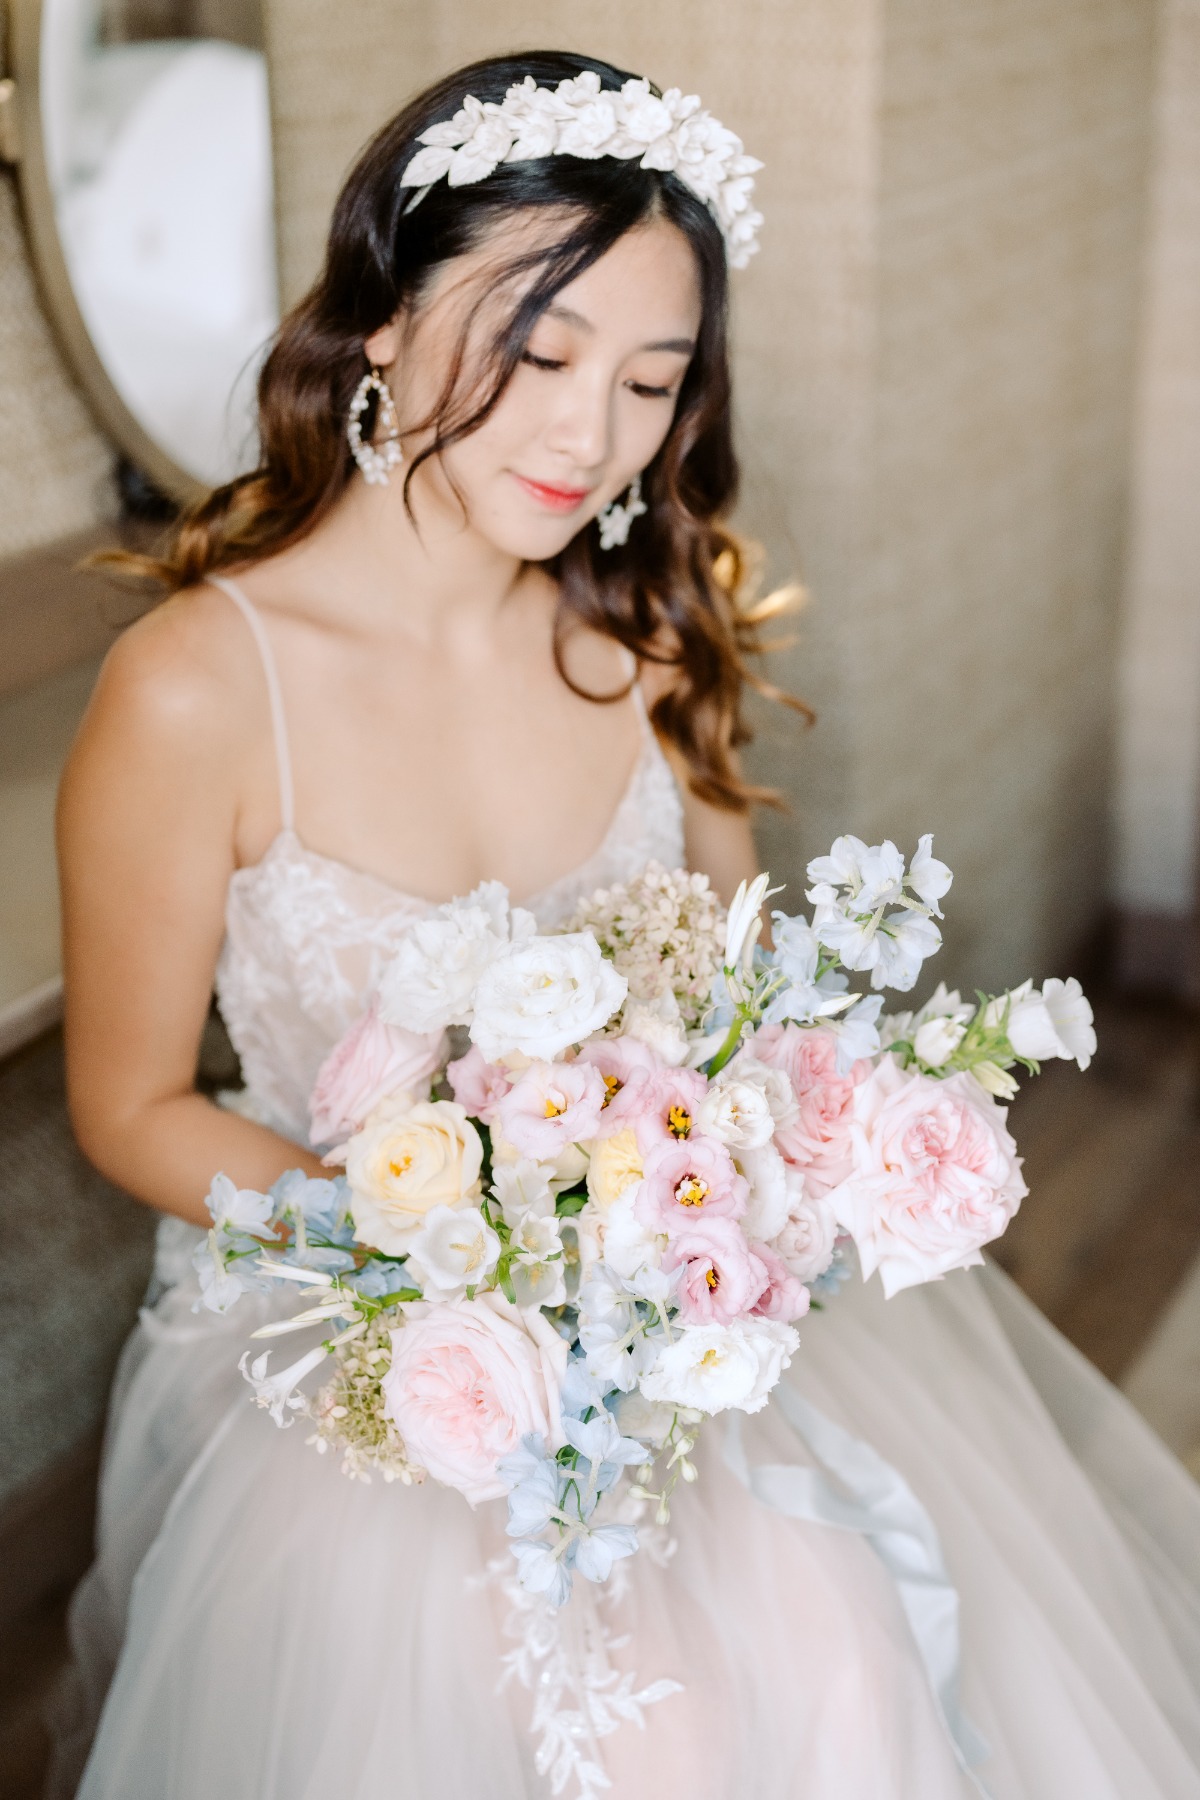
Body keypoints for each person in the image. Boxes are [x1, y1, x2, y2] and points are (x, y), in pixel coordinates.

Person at [52, 50, 1200, 1800]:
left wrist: (718, 1194)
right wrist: (471, 1263)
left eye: (653, 380)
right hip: (369, 1327)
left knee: (829, 1634)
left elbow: (735, 1013)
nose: (592, 434)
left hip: (675, 1294)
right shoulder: (200, 690)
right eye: (538, 349)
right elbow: (129, 1108)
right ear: (381, 319)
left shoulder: (650, 642)